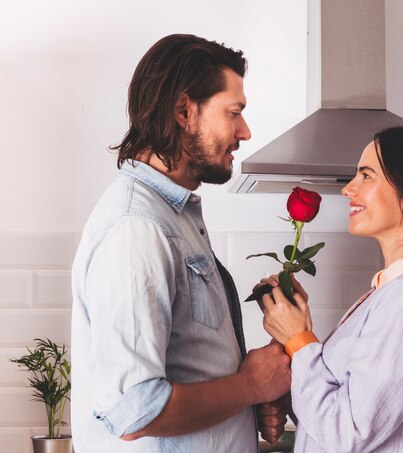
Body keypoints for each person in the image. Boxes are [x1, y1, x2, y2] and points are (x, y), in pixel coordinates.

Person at [71, 34, 291, 452]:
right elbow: (135, 409)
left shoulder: (173, 217)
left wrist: (251, 395)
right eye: (234, 112)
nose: (245, 131)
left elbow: (192, 368)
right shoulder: (136, 228)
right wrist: (250, 386)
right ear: (184, 111)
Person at [258, 125, 403, 452]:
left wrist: (300, 340)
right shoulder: (395, 290)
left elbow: (346, 435)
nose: (348, 189)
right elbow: (345, 411)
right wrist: (291, 389)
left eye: (366, 176)